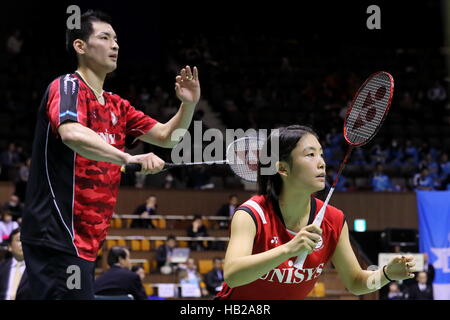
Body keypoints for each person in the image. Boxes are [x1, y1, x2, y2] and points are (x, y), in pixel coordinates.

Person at [21, 10, 200, 300]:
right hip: (57, 233)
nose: (115, 45)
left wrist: (188, 106)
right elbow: (72, 133)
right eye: (104, 38)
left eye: (116, 39)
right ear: (80, 46)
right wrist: (128, 159)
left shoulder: (117, 106)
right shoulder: (67, 86)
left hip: (86, 240)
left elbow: (169, 138)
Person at [216, 125, 416, 300]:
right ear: (283, 169)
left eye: (321, 154)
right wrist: (288, 249)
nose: (322, 162)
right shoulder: (252, 214)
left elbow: (355, 283)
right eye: (310, 154)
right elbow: (233, 275)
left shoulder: (333, 219)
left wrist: (387, 274)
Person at [0, 228, 30, 300]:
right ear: (10, 247)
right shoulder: (1, 267)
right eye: (19, 240)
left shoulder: (35, 269)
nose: (23, 243)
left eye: (25, 240)